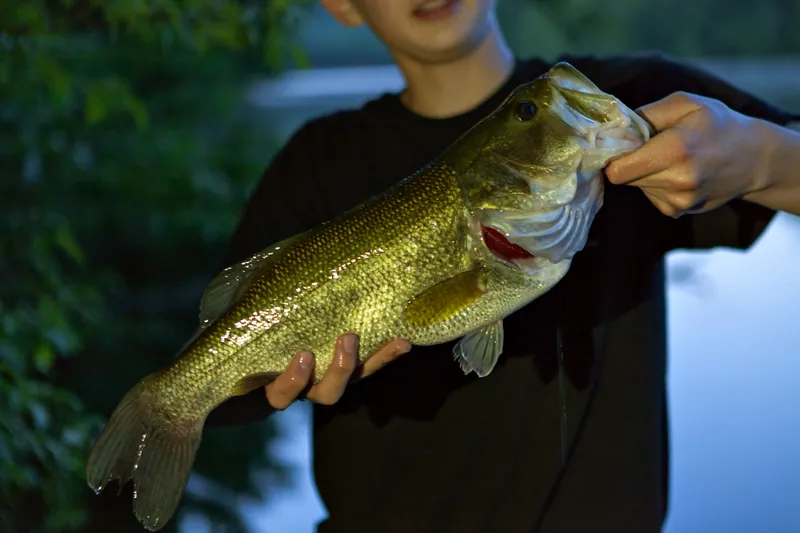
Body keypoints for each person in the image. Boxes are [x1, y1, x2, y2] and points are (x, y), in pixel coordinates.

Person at [208, 1, 800, 531]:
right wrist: (276, 386)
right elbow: (218, 380)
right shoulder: (317, 161)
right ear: (341, 5)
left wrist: (764, 159)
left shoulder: (631, 95)